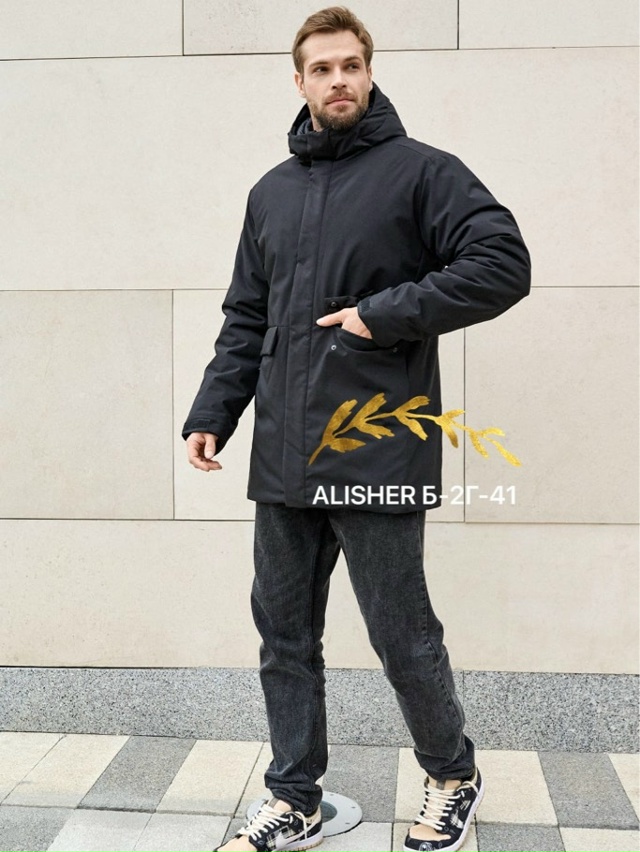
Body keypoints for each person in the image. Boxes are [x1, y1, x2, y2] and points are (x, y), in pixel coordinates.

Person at [183, 7, 531, 851]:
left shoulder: (423, 173)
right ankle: (294, 796)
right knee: (284, 637)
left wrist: (386, 313)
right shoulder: (270, 192)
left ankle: (452, 774)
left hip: (376, 445)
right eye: (322, 68)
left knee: (401, 635)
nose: (338, 79)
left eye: (350, 65)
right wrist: (214, 411)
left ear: (369, 72)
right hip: (284, 455)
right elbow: (247, 316)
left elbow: (502, 264)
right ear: (298, 81)